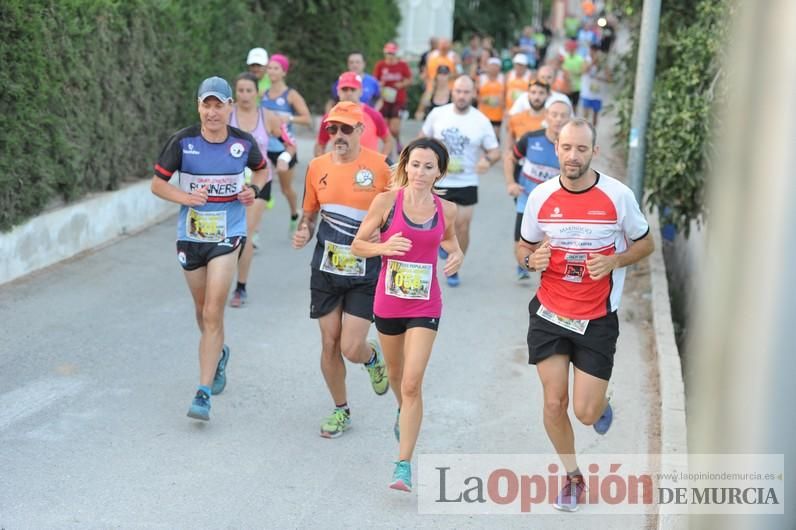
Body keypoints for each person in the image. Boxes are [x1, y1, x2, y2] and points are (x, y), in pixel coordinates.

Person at [517, 118, 654, 512]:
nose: (572, 156)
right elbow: (523, 248)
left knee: (586, 411)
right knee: (553, 404)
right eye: (566, 148)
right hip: (550, 312)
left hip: (596, 316)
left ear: (594, 152)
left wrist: (615, 260)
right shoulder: (541, 196)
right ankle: (573, 477)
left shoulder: (618, 196)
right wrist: (531, 260)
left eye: (581, 149)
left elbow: (646, 245)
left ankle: (600, 404)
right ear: (556, 148)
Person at [150, 76, 268, 421]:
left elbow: (261, 173)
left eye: (219, 105)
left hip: (228, 236)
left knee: (214, 311)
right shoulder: (182, 141)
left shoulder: (243, 143)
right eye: (207, 105)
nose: (213, 112)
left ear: (230, 106)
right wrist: (185, 197)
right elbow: (157, 184)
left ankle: (202, 393)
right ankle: (218, 352)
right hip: (190, 236)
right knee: (202, 311)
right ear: (198, 106)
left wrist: (253, 192)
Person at [351, 138, 463, 492]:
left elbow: (449, 241)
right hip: (389, 303)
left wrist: (456, 254)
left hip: (425, 304)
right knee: (398, 375)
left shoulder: (447, 210)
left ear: (439, 172)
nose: (420, 172)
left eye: (429, 167)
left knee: (413, 381)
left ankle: (403, 465)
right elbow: (358, 244)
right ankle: (403, 409)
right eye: (415, 164)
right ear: (405, 165)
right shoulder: (386, 202)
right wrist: (383, 246)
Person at [292, 101, 392, 439]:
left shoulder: (380, 167)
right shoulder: (317, 165)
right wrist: (304, 229)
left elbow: (398, 214)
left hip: (365, 270)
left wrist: (386, 230)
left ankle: (371, 356)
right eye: (332, 129)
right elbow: (309, 212)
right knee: (329, 342)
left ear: (361, 131)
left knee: (351, 347)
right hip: (326, 267)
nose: (337, 135)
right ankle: (341, 409)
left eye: (345, 129)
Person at [420, 75, 500, 287]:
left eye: (466, 92)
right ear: (452, 92)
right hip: (438, 179)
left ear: (473, 94)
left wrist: (487, 161)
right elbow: (422, 140)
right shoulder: (438, 114)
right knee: (432, 224)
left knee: (463, 227)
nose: (462, 96)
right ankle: (440, 241)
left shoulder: (481, 121)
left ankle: (455, 266)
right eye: (458, 91)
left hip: (466, 180)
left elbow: (495, 151)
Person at [228, 73, 296, 307]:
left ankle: (240, 287)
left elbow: (290, 143)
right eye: (241, 91)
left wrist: (284, 159)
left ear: (257, 92)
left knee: (245, 232)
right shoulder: (227, 114)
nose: (245, 95)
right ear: (235, 93)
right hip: (228, 182)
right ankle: (218, 278)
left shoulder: (268, 117)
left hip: (259, 181)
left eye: (249, 90)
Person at [505, 94, 572, 280]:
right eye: (554, 114)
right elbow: (510, 158)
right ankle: (523, 264)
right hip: (526, 199)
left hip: (555, 204)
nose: (558, 119)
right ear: (546, 116)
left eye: (563, 115)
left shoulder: (570, 148)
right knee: (521, 240)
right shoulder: (531, 139)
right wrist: (511, 182)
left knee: (548, 242)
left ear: (569, 119)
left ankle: (549, 276)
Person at [260, 54, 312, 232]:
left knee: (286, 189)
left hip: (285, 149)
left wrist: (288, 117)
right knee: (260, 190)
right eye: (270, 68)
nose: (271, 71)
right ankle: (254, 232)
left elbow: (307, 118)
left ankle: (294, 214)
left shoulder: (291, 95)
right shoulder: (262, 94)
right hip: (264, 149)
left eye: (276, 68)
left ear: (284, 72)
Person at [315, 72, 394, 159]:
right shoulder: (329, 117)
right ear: (338, 91)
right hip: (340, 169)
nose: (349, 93)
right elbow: (320, 145)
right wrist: (323, 165)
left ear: (360, 91)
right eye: (344, 89)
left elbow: (388, 141)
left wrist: (381, 162)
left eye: (353, 89)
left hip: (367, 170)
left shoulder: (373, 115)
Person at [373, 42, 413, 154]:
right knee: (385, 127)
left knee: (394, 128)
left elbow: (409, 79)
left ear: (396, 53)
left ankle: (397, 141)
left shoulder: (402, 65)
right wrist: (380, 84)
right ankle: (389, 148)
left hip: (398, 100)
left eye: (392, 53)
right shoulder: (380, 65)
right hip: (384, 100)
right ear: (385, 53)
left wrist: (401, 84)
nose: (390, 55)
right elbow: (375, 81)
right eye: (388, 53)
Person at [505, 78, 551, 157]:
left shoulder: (553, 121)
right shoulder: (516, 119)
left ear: (548, 95)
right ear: (527, 95)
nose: (537, 97)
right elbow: (509, 151)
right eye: (533, 92)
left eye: (541, 93)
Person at [580, 44, 612, 127]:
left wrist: (600, 78)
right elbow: (583, 71)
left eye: (594, 52)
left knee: (595, 115)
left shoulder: (603, 63)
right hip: (587, 92)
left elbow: (609, 79)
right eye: (591, 51)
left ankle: (592, 132)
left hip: (598, 94)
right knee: (585, 114)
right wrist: (593, 61)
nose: (592, 53)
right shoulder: (586, 60)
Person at [476, 57, 506, 139]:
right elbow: (475, 94)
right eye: (491, 65)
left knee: (494, 138)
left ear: (499, 68)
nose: (493, 68)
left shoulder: (503, 78)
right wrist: (484, 100)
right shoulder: (481, 78)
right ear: (487, 67)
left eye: (496, 66)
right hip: (483, 114)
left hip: (497, 115)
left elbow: (507, 94)